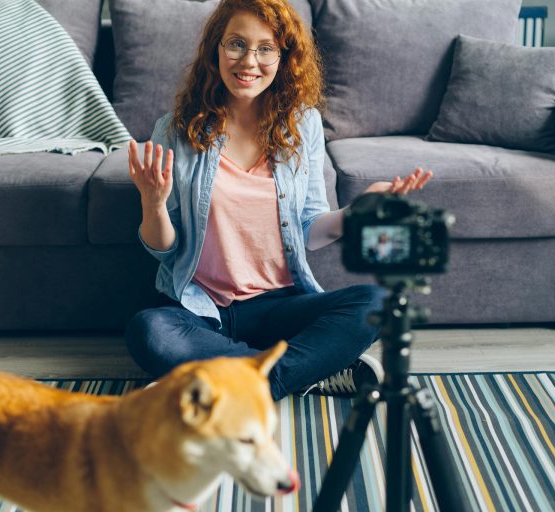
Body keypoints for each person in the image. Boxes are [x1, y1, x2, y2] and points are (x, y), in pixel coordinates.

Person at [124, 0, 431, 401]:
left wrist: (356, 216)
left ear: (284, 58)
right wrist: (153, 202)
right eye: (236, 44)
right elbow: (167, 251)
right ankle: (301, 371)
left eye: (265, 48)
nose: (249, 60)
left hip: (281, 307)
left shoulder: (304, 126)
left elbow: (308, 227)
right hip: (202, 311)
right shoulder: (176, 129)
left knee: (379, 302)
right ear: (216, 49)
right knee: (150, 332)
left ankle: (229, 378)